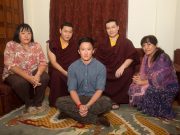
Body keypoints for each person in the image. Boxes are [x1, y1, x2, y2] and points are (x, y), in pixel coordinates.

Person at [56, 37, 112, 127]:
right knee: (59, 102)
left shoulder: (101, 67)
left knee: (108, 102)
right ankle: (96, 119)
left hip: (93, 99)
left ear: (93, 51)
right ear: (78, 51)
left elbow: (99, 90)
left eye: (89, 49)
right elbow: (72, 90)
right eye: (83, 49)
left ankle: (70, 114)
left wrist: (87, 106)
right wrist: (79, 105)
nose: (86, 52)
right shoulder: (72, 67)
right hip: (78, 98)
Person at [2, 23, 49, 114]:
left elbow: (43, 62)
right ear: (18, 34)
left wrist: (38, 75)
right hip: (14, 73)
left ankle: (38, 103)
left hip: (32, 70)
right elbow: (10, 65)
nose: (26, 36)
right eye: (23, 33)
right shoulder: (11, 45)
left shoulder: (36, 45)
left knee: (45, 77)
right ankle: (29, 104)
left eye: (29, 33)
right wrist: (29, 78)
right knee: (21, 82)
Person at [128, 35, 179, 119]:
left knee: (150, 91)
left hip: (167, 86)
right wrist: (139, 78)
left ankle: (158, 109)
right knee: (134, 86)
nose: (146, 47)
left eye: (149, 44)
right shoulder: (146, 57)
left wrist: (143, 82)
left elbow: (160, 77)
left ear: (155, 45)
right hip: (151, 82)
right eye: (143, 45)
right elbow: (143, 73)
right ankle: (145, 107)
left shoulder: (163, 57)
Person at [95, 19, 139, 109]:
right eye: (108, 28)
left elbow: (131, 57)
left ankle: (118, 100)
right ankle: (106, 98)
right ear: (106, 30)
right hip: (107, 69)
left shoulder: (126, 42)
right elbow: (97, 59)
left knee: (128, 71)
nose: (111, 30)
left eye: (113, 27)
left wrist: (122, 67)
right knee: (100, 73)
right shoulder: (102, 43)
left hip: (120, 68)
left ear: (118, 28)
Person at [48, 22, 79, 107]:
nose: (68, 34)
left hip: (70, 70)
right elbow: (53, 62)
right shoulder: (52, 43)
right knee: (56, 74)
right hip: (57, 69)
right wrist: (65, 72)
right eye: (65, 31)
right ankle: (55, 102)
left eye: (70, 32)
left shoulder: (75, 45)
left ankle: (70, 98)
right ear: (60, 31)